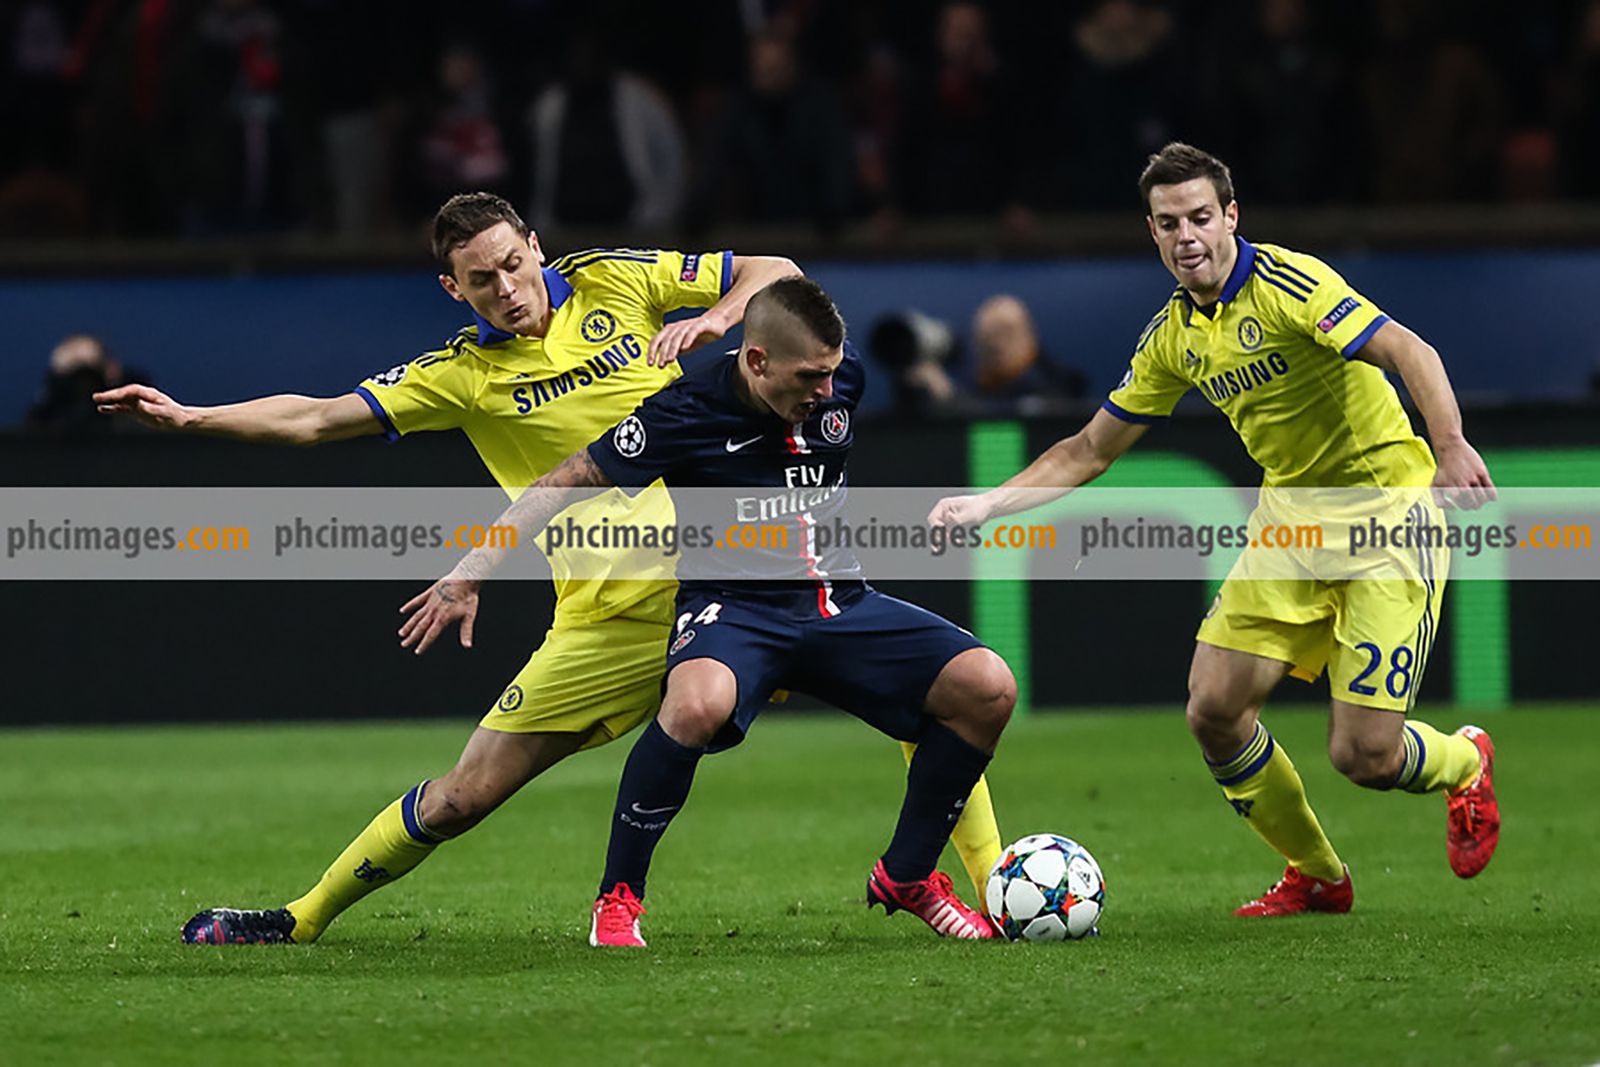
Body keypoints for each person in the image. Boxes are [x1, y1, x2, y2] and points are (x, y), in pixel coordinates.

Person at [95, 193, 1004, 944]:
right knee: (463, 794)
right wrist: (192, 418)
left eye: (513, 262)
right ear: (452, 289)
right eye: (480, 279)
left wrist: (717, 317)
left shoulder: (620, 278)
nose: (506, 287)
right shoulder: (459, 376)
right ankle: (300, 917)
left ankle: (989, 887)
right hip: (607, 619)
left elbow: (775, 273)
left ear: (536, 246)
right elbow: (319, 417)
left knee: (932, 696)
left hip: (739, 583)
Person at [929, 143, 1501, 917]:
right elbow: (1089, 449)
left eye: (1201, 216)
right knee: (1214, 710)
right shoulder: (1172, 337)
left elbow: (1408, 348)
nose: (1187, 235)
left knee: (1362, 755)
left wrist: (1450, 443)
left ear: (1231, 216)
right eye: (1169, 223)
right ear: (1152, 231)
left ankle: (1465, 764)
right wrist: (986, 505)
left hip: (1388, 517)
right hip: (1291, 527)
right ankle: (1319, 875)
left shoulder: (1292, 286)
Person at [402, 277, 1014, 945]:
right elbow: (563, 481)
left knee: (988, 687)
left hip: (837, 600)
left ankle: (908, 875)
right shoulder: (681, 412)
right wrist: (470, 571)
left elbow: (782, 285)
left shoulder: (842, 382)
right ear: (756, 362)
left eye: (834, 373)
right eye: (810, 376)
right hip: (733, 609)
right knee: (695, 704)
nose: (827, 392)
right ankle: (618, 897)